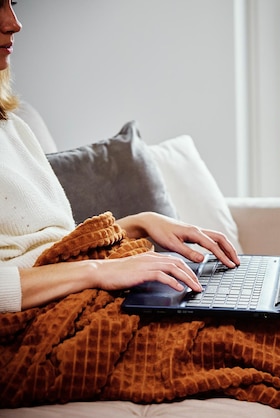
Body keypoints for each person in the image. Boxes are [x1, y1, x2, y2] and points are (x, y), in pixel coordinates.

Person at [0, 0, 240, 313]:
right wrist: (98, 271)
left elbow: (57, 251)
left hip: (78, 294)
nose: (15, 23)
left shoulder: (13, 127)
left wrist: (142, 222)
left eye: (12, 3)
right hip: (47, 317)